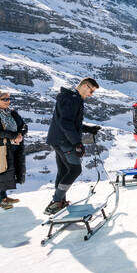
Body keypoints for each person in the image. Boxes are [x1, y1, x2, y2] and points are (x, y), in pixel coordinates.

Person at [44, 78, 101, 214]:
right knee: (75, 170)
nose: (91, 94)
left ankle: (59, 201)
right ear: (85, 86)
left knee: (64, 171)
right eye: (91, 90)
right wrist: (77, 143)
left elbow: (69, 122)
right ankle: (56, 201)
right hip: (65, 141)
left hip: (58, 140)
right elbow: (66, 123)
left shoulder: (70, 98)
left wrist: (88, 128)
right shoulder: (72, 99)